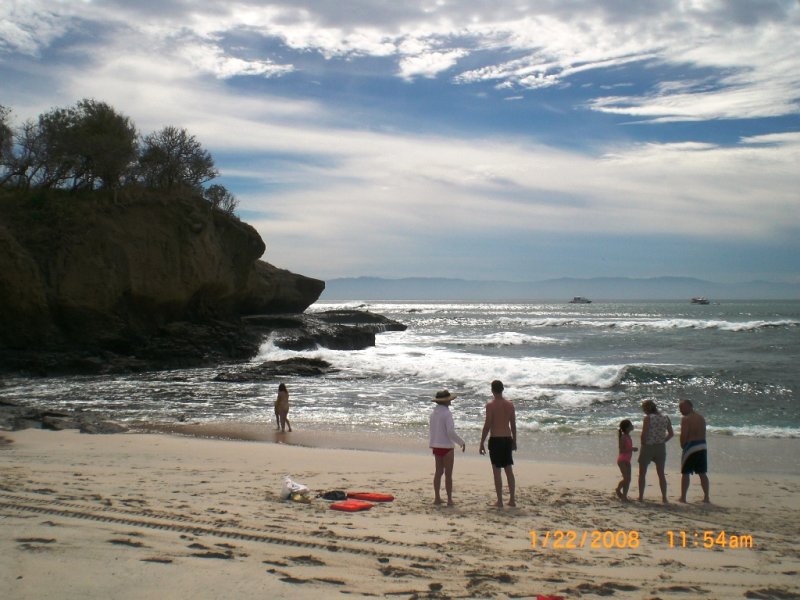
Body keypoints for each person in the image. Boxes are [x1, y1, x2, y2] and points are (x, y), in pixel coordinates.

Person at [479, 380, 517, 508]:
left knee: (497, 471)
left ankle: (500, 500)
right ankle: (512, 499)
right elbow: (513, 425)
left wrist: (481, 442)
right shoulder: (510, 404)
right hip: (507, 438)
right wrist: (514, 441)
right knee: (508, 470)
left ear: (492, 390)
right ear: (502, 389)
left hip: (495, 439)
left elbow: (487, 425)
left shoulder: (491, 405)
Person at [429, 390, 466, 506]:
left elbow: (433, 430)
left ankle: (437, 498)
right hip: (447, 446)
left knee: (438, 472)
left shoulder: (433, 414)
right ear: (447, 401)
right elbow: (450, 432)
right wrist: (461, 442)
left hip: (436, 445)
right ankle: (449, 499)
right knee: (448, 474)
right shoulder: (447, 414)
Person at [637, 399, 673, 503]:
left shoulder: (648, 418)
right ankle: (664, 497)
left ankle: (640, 496)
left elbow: (644, 433)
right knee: (661, 473)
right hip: (660, 447)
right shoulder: (665, 417)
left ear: (646, 409)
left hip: (648, 446)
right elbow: (671, 434)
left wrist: (643, 443)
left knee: (642, 473)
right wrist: (662, 441)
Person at [678, 399, 710, 503]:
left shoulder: (686, 419)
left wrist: (683, 445)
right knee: (702, 472)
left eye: (682, 408)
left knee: (686, 472)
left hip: (691, 446)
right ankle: (706, 497)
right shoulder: (701, 418)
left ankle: (683, 497)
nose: (680, 410)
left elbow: (684, 434)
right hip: (702, 445)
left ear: (689, 407)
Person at [615, 419, 638, 501]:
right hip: (622, 460)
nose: (632, 426)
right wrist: (632, 449)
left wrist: (631, 449)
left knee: (628, 479)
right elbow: (621, 450)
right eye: (631, 425)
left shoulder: (628, 436)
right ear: (627, 427)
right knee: (626, 478)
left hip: (627, 460)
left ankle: (624, 496)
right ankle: (618, 490)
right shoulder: (623, 437)